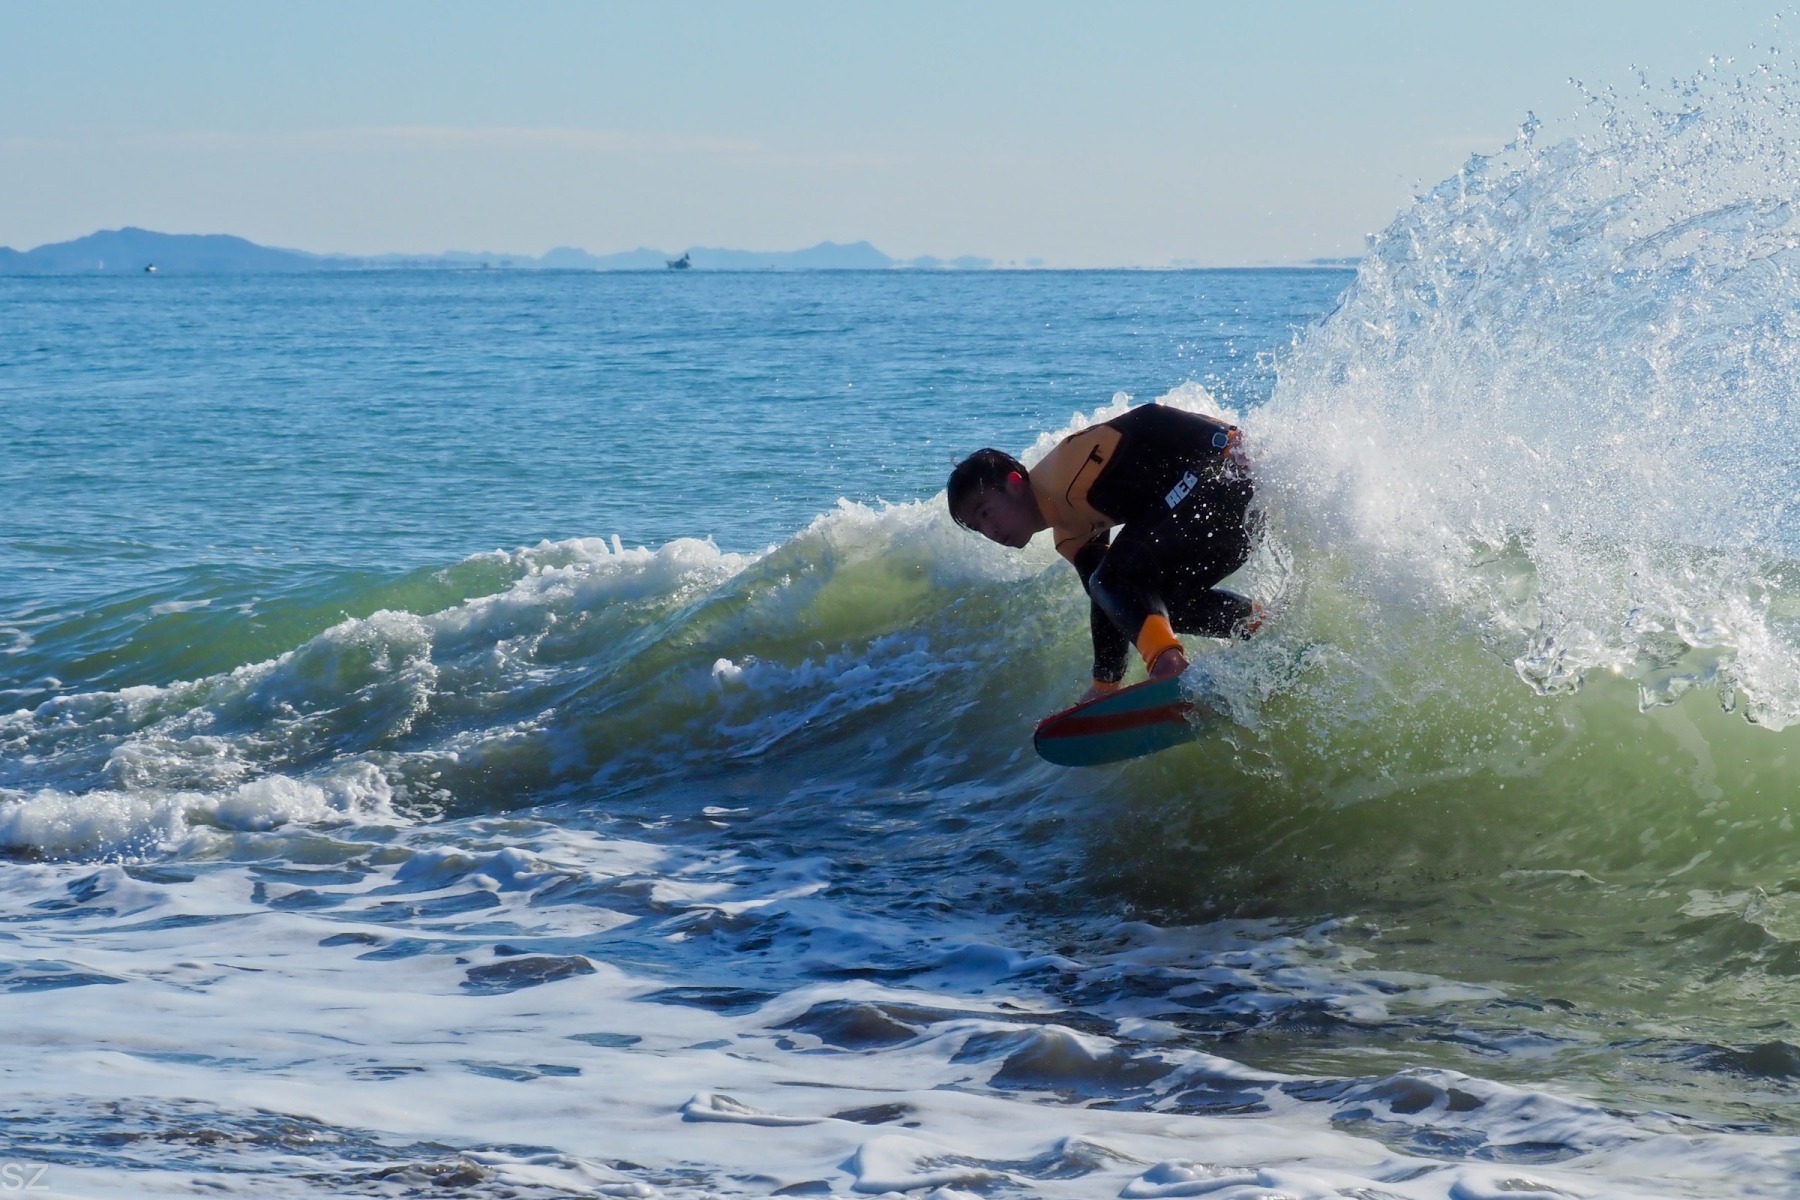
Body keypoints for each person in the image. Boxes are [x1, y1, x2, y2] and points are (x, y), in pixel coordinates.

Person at [947, 402, 1261, 702]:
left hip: (1225, 477)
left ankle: (1169, 666)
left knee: (1112, 577)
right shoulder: (1070, 538)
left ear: (1014, 483)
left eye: (985, 512)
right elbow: (1109, 605)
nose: (989, 531)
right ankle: (1258, 625)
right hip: (1222, 525)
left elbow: (1150, 417)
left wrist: (1223, 441)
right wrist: (1105, 684)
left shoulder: (1063, 472)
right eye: (977, 527)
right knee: (1141, 600)